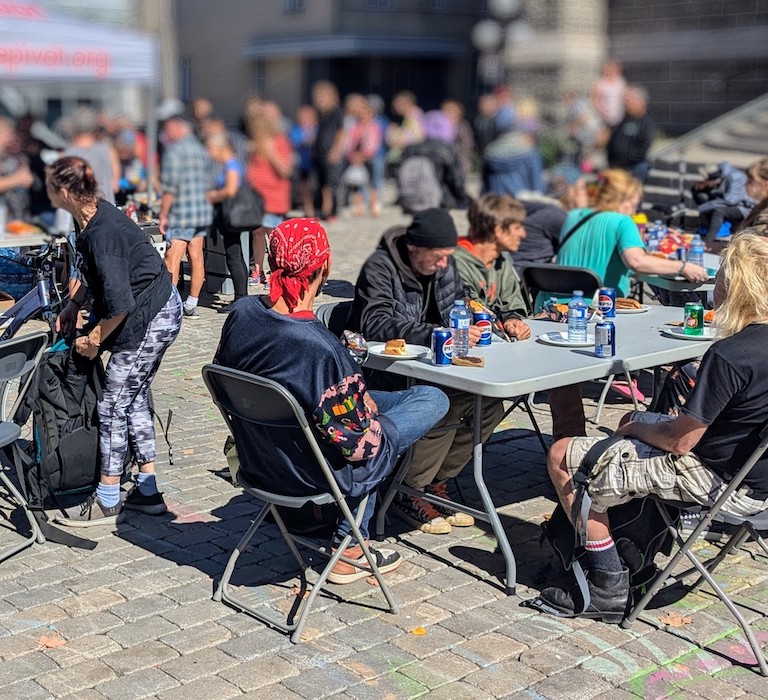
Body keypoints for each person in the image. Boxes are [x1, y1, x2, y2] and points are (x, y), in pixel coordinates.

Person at [529, 231, 768, 622]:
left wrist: (638, 433)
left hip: (723, 483)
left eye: (722, 275)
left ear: (735, 285)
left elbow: (679, 442)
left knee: (562, 455)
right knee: (631, 418)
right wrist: (637, 425)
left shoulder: (730, 354)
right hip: (757, 478)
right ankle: (632, 546)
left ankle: (606, 580)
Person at [214, 218, 449, 583]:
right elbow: (360, 447)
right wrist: (361, 409)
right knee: (432, 399)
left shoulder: (242, 314)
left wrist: (355, 399)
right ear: (324, 267)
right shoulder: (320, 348)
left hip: (263, 455)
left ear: (274, 260)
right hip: (311, 469)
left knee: (406, 399)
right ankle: (350, 548)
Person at [348, 208, 505, 534]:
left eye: (448, 256)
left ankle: (437, 482)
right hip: (385, 373)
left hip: (438, 365)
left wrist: (476, 318)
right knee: (447, 404)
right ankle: (409, 489)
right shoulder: (380, 267)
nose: (444, 264)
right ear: (415, 248)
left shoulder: (445, 266)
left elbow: (460, 299)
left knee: (489, 406)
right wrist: (436, 334)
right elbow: (374, 323)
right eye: (437, 256)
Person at [46, 156, 182, 526]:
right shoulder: (87, 220)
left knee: (111, 406)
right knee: (132, 397)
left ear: (63, 191)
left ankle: (108, 498)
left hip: (150, 317)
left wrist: (93, 339)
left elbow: (119, 304)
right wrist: (74, 304)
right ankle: (148, 490)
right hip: (150, 310)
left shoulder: (103, 231)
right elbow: (96, 275)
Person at [552, 169, 708, 430]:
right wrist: (682, 267)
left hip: (555, 310)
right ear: (625, 199)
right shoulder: (622, 222)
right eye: (635, 201)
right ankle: (662, 414)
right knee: (667, 328)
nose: (636, 207)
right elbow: (636, 261)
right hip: (598, 315)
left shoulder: (574, 216)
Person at [453, 194, 531, 341]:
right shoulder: (454, 262)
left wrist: (513, 321)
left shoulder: (500, 261)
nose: (523, 234)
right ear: (498, 230)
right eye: (517, 227)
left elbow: (511, 304)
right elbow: (472, 310)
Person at [158, 113, 213, 319]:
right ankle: (192, 303)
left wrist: (163, 215)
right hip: (200, 210)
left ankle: (169, 305)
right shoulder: (201, 150)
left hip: (181, 212)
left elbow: (169, 189)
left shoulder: (175, 152)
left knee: (173, 257)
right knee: (196, 256)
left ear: (176, 128)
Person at [245, 104, 293, 288]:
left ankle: (276, 272)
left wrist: (270, 150)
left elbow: (285, 170)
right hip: (257, 198)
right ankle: (258, 270)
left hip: (274, 196)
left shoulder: (279, 141)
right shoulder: (255, 143)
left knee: (273, 234)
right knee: (257, 233)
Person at [205, 132, 249, 313]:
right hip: (230, 214)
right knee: (236, 255)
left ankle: (240, 298)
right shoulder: (231, 164)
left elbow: (230, 190)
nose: (209, 153)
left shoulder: (231, 165)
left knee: (234, 257)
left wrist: (211, 196)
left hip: (232, 215)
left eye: (210, 149)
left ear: (219, 148)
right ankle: (242, 296)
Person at [398, 109, 468, 212]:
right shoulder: (447, 148)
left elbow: (399, 172)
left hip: (415, 198)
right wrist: (463, 198)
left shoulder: (412, 148)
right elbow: (456, 178)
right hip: (441, 199)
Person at [310, 81, 345, 222]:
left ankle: (332, 211)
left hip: (330, 153)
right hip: (317, 153)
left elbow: (341, 132)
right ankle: (320, 210)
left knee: (331, 184)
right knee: (318, 184)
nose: (320, 100)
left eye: (323, 96)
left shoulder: (337, 112)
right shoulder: (319, 114)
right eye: (318, 97)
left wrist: (336, 150)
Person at [606, 86, 655, 183]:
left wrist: (626, 162)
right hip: (616, 167)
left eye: (628, 101)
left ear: (639, 102)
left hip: (633, 168)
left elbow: (644, 145)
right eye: (625, 101)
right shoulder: (623, 120)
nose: (625, 104)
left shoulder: (646, 122)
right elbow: (613, 141)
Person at [591, 59, 626, 129]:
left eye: (613, 70)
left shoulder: (621, 81)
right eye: (608, 70)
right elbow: (595, 99)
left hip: (619, 115)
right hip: (604, 116)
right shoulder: (600, 83)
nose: (610, 72)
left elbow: (624, 97)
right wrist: (602, 111)